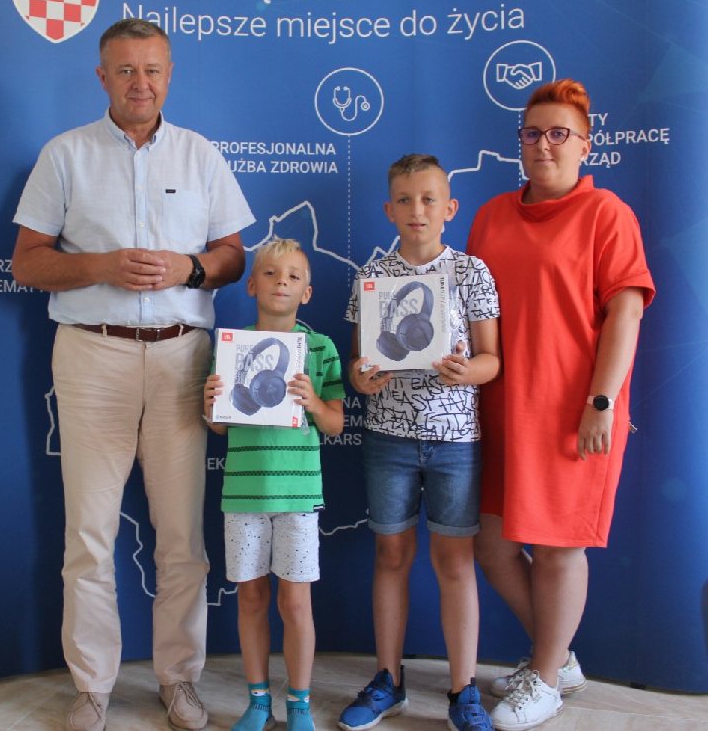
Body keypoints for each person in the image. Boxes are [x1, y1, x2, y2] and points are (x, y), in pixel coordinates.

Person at [11, 19, 255, 731]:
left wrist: (190, 267)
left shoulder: (200, 154)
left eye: (151, 70)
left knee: (181, 536)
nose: (139, 83)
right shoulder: (65, 154)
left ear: (169, 75)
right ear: (102, 77)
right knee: (88, 534)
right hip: (93, 354)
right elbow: (27, 261)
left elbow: (234, 255)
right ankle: (93, 687)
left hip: (182, 358)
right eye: (125, 70)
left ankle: (180, 679)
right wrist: (102, 266)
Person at [467, 79, 655, 731]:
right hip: (500, 407)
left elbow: (625, 313)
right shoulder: (491, 215)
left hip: (575, 412)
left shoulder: (607, 213)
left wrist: (602, 399)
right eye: (532, 133)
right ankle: (560, 657)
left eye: (558, 134)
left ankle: (545, 678)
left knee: (556, 550)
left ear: (585, 145)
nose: (543, 145)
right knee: (491, 545)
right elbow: (472, 310)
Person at [339, 154, 501, 731]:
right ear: (389, 209)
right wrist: (360, 379)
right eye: (405, 200)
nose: (418, 210)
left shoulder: (471, 273)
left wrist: (468, 371)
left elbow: (492, 359)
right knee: (391, 555)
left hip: (455, 440)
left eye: (429, 199)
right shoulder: (372, 276)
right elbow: (359, 362)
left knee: (455, 561)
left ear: (449, 207)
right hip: (388, 439)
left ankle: (463, 689)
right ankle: (388, 679)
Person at [203, 238, 345, 731]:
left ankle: (299, 703)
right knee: (250, 599)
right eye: (269, 273)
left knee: (295, 602)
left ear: (307, 292)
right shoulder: (231, 349)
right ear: (251, 285)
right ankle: (258, 701)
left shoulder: (321, 349)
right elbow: (218, 427)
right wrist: (211, 402)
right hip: (242, 494)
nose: (281, 281)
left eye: (293, 276)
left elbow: (335, 424)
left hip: (298, 497)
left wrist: (314, 403)